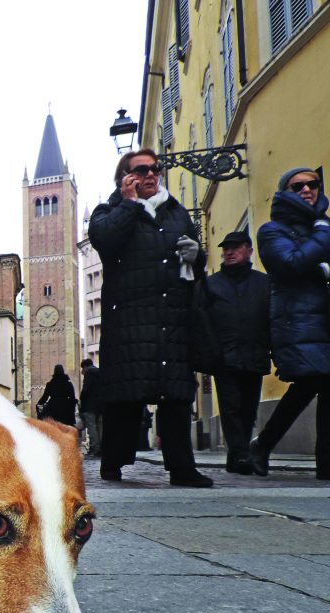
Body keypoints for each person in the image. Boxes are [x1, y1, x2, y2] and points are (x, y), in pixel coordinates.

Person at [88, 148, 213, 487]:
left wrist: (196, 256)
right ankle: (113, 462)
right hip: (129, 316)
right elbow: (104, 240)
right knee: (126, 394)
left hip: (173, 315)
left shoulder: (175, 213)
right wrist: (129, 204)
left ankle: (182, 467)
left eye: (154, 168)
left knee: (176, 393)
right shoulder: (109, 211)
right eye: (140, 170)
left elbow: (193, 260)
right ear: (124, 177)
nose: (149, 174)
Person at [249, 167, 330, 480]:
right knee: (313, 381)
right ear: (285, 192)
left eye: (313, 184)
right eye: (298, 186)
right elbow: (290, 263)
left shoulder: (320, 226)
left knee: (324, 384)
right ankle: (264, 443)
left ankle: (323, 462)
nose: (307, 190)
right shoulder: (272, 231)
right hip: (298, 319)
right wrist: (322, 235)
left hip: (324, 316)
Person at [200, 231, 270, 475]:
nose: (229, 252)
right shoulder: (212, 284)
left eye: (236, 247)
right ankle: (240, 455)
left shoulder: (263, 283)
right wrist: (211, 351)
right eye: (226, 248)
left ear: (249, 251)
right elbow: (204, 320)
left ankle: (237, 455)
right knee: (230, 408)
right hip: (224, 357)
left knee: (248, 408)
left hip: (255, 353)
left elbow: (271, 319)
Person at [79, 358, 103, 456]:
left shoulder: (89, 373)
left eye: (82, 369)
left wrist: (81, 398)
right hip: (101, 405)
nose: (82, 372)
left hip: (89, 405)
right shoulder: (100, 372)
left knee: (92, 427)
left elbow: (86, 389)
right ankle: (101, 447)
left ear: (85, 367)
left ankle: (94, 448)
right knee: (100, 427)